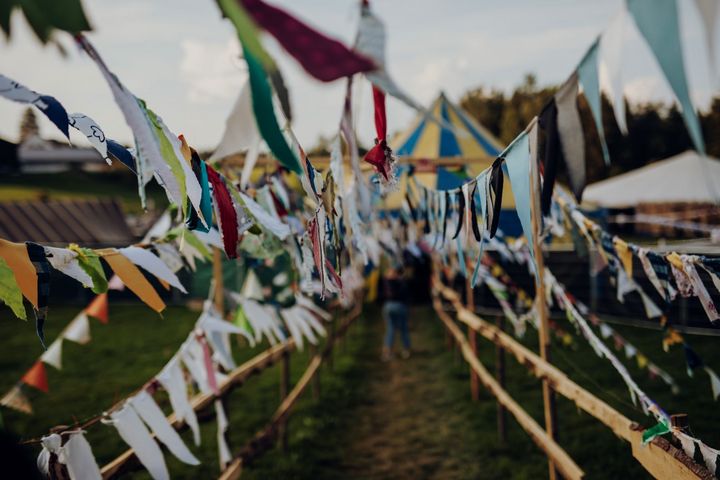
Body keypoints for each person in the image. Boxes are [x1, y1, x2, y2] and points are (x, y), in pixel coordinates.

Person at [381, 265, 411, 361]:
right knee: (403, 329)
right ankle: (406, 350)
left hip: (388, 306)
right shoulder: (401, 282)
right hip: (400, 306)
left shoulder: (386, 281)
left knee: (390, 329)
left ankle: (387, 352)